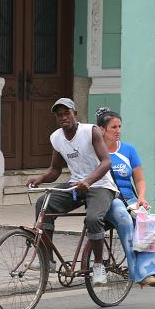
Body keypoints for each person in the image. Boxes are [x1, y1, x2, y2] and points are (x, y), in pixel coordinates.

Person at [26, 98, 118, 285]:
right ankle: (48, 259)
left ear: (75, 114)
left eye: (67, 113)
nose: (63, 117)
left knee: (93, 219)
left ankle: (99, 265)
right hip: (76, 185)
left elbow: (106, 162)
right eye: (59, 115)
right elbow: (55, 170)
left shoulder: (90, 131)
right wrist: (40, 178)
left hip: (100, 185)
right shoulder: (56, 138)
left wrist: (89, 181)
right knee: (43, 203)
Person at [96, 107, 155, 287]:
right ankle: (137, 274)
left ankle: (150, 271)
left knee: (146, 224)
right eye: (113, 127)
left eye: (119, 127)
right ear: (101, 130)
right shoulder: (94, 151)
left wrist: (141, 198)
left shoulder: (129, 150)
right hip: (107, 199)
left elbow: (139, 179)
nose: (118, 131)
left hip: (130, 200)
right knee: (125, 220)